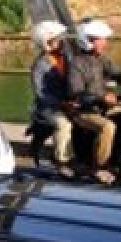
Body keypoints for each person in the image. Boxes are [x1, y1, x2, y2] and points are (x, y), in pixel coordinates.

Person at [67, 18, 121, 185]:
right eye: (100, 39)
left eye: (104, 39)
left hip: (102, 106)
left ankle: (119, 157)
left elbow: (118, 74)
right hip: (84, 110)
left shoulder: (101, 59)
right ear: (87, 41)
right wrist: (99, 98)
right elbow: (77, 93)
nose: (105, 43)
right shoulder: (77, 63)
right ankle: (100, 167)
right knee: (108, 127)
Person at [29, 20, 74, 175]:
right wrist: (62, 104)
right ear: (46, 42)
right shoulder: (40, 66)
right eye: (57, 39)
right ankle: (62, 162)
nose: (61, 41)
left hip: (71, 102)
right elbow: (41, 94)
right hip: (49, 108)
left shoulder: (67, 57)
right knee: (64, 124)